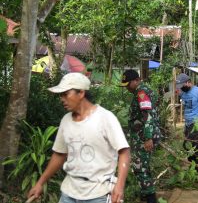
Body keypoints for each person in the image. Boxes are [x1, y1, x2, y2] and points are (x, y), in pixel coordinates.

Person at [27, 72, 130, 203]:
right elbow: (59, 155)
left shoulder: (105, 118)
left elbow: (124, 152)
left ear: (81, 93)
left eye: (65, 94)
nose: (62, 99)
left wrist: (119, 186)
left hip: (99, 193)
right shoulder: (66, 120)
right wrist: (40, 183)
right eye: (60, 95)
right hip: (69, 192)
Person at [119, 69, 161, 203]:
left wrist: (148, 138)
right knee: (143, 166)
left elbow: (147, 115)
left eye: (128, 85)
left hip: (143, 137)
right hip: (141, 136)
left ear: (136, 81)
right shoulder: (141, 91)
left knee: (140, 167)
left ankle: (150, 198)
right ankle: (146, 195)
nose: (126, 89)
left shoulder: (141, 92)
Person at [175, 73, 198, 165]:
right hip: (189, 126)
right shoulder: (184, 93)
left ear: (188, 82)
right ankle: (194, 172)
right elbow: (188, 109)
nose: (181, 88)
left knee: (197, 151)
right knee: (188, 149)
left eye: (182, 85)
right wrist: (185, 127)